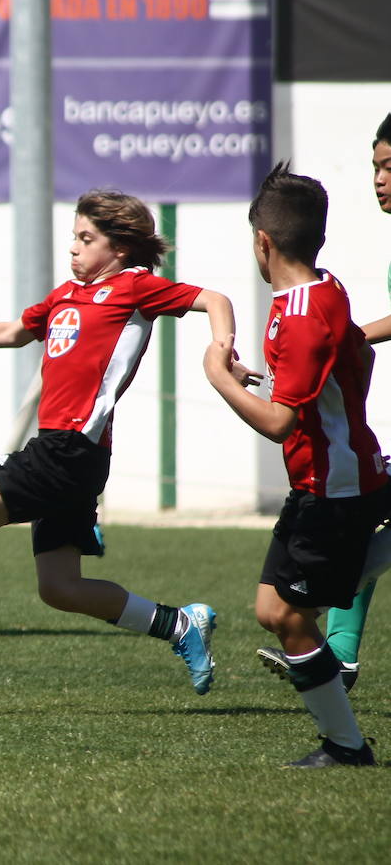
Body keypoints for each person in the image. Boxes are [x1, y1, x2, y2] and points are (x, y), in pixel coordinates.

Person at [0, 190, 237, 699]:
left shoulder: (136, 287)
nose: (73, 248)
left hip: (70, 449)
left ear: (119, 248)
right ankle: (180, 625)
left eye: (86, 238)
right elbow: (13, 331)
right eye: (72, 236)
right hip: (68, 453)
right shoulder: (65, 294)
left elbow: (215, 301)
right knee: (60, 588)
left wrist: (222, 351)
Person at [205, 162, 389, 767]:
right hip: (323, 481)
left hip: (333, 490)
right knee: (271, 609)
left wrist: (220, 380)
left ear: (263, 241)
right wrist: (263, 381)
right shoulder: (321, 288)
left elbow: (279, 422)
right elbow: (341, 367)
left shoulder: (303, 315)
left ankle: (345, 746)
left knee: (287, 615)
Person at [258, 112, 391, 693]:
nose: (379, 179)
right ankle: (339, 653)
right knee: (359, 525)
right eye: (375, 167)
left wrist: (342, 340)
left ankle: (336, 664)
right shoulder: (324, 288)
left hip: (335, 474)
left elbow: (280, 420)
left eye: (390, 167)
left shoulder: (313, 302)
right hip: (345, 462)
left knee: (351, 528)